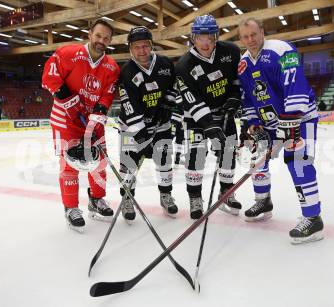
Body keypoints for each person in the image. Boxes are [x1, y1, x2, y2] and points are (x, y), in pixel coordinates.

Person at [238, 17, 323, 244]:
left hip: (301, 118)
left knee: (298, 161)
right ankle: (263, 201)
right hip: (271, 123)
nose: (250, 40)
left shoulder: (282, 49)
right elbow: (249, 98)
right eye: (245, 37)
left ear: (262, 32)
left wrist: (291, 119)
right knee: (257, 158)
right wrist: (253, 123)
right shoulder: (243, 63)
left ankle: (313, 219)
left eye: (254, 34)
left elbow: (296, 84)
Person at [42, 19, 120, 232]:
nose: (101, 41)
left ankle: (97, 200)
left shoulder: (111, 67)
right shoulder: (69, 53)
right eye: (98, 36)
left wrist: (101, 110)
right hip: (66, 119)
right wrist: (67, 97)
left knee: (100, 163)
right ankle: (71, 208)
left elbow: (108, 93)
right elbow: (50, 75)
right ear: (89, 34)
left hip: (92, 121)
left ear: (110, 40)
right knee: (69, 165)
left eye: (106, 38)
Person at [175, 14, 242, 219]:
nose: (205, 43)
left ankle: (227, 191)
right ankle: (195, 197)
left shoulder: (230, 52)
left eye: (210, 38)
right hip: (196, 118)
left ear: (216, 36)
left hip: (224, 113)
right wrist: (209, 124)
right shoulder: (184, 64)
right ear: (193, 38)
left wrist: (233, 98)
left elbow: (237, 81)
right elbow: (190, 99)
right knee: (196, 156)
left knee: (228, 153)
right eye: (200, 38)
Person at [117, 26, 178, 223]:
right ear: (130, 49)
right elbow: (128, 105)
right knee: (128, 166)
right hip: (131, 128)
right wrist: (140, 133)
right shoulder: (126, 72)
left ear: (151, 46)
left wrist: (168, 104)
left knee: (164, 163)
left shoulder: (165, 64)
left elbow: (172, 86)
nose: (142, 51)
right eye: (137, 47)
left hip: (161, 125)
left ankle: (165, 195)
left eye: (145, 46)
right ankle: (127, 198)